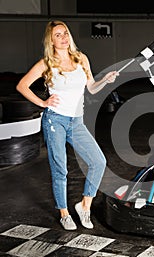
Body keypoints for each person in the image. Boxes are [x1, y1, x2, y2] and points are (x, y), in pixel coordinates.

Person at [16, 20, 119, 230]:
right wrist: (43, 103)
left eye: (65, 33)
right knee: (60, 169)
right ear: (51, 40)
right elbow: (22, 85)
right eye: (57, 35)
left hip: (76, 121)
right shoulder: (47, 63)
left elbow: (91, 87)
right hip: (55, 120)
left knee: (98, 161)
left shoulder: (81, 58)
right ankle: (64, 213)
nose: (63, 38)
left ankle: (84, 205)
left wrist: (105, 80)